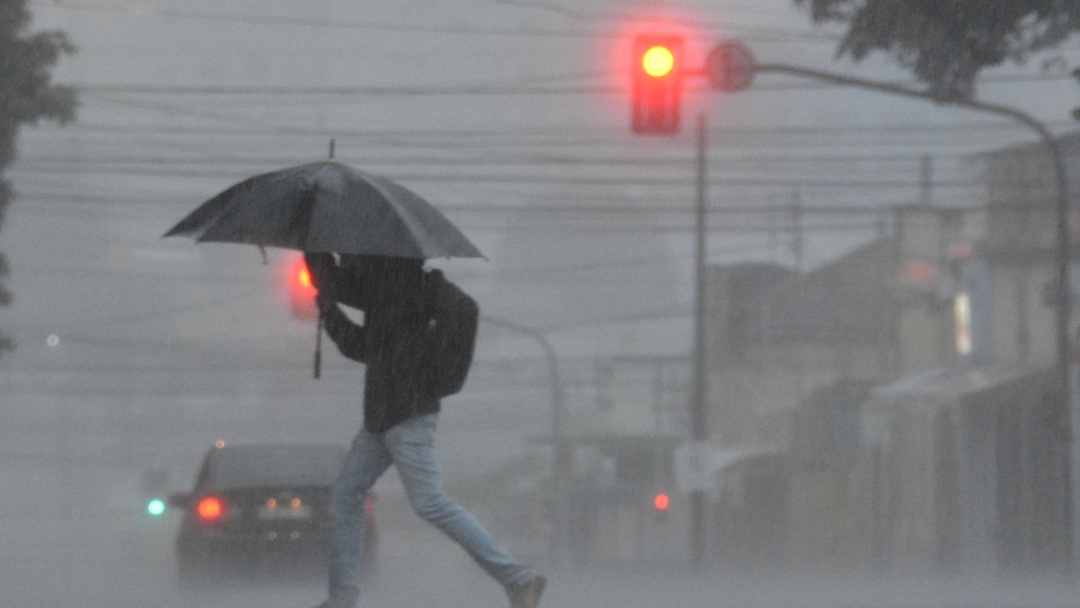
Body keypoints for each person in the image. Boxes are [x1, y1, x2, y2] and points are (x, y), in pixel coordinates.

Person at [304, 252, 546, 608]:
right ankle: (342, 598)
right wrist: (328, 308)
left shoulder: (419, 288)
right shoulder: (387, 292)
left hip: (408, 415)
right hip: (382, 419)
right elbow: (361, 346)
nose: (351, 258)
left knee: (429, 502)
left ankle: (518, 578)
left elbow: (466, 311)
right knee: (348, 493)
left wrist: (432, 373)